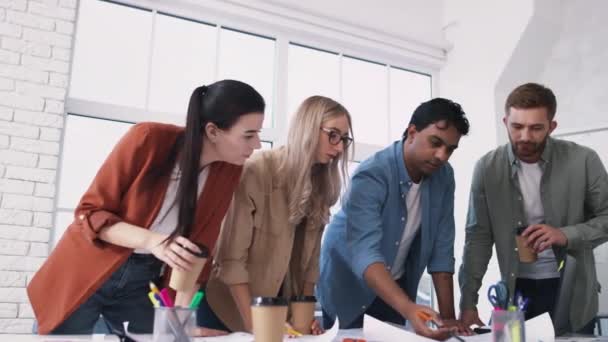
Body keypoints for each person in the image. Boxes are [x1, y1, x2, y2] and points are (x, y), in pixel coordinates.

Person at [27, 80, 266, 335]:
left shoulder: (229, 170)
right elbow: (91, 213)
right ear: (213, 131)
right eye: (248, 135)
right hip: (88, 269)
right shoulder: (148, 139)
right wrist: (154, 241)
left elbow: (199, 250)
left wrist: (181, 319)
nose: (258, 144)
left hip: (143, 282)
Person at [195, 96, 353, 335]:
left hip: (276, 313)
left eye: (343, 139)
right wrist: (256, 327)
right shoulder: (255, 171)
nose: (339, 147)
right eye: (333, 135)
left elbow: (310, 267)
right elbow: (231, 262)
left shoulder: (323, 186)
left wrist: (304, 318)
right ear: (308, 129)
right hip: (226, 312)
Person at [459, 82, 608, 334]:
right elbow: (478, 238)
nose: (525, 136)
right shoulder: (487, 168)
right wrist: (468, 302)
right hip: (513, 294)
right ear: (505, 122)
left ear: (552, 126)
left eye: (536, 128)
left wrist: (565, 234)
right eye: (517, 127)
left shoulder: (584, 160)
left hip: (572, 294)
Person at [318, 98, 471, 339]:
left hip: (394, 288)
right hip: (346, 288)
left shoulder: (443, 177)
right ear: (412, 132)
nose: (442, 155)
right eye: (435, 143)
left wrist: (449, 320)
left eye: (450, 149)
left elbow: (442, 251)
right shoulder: (373, 173)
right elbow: (366, 254)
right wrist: (410, 308)